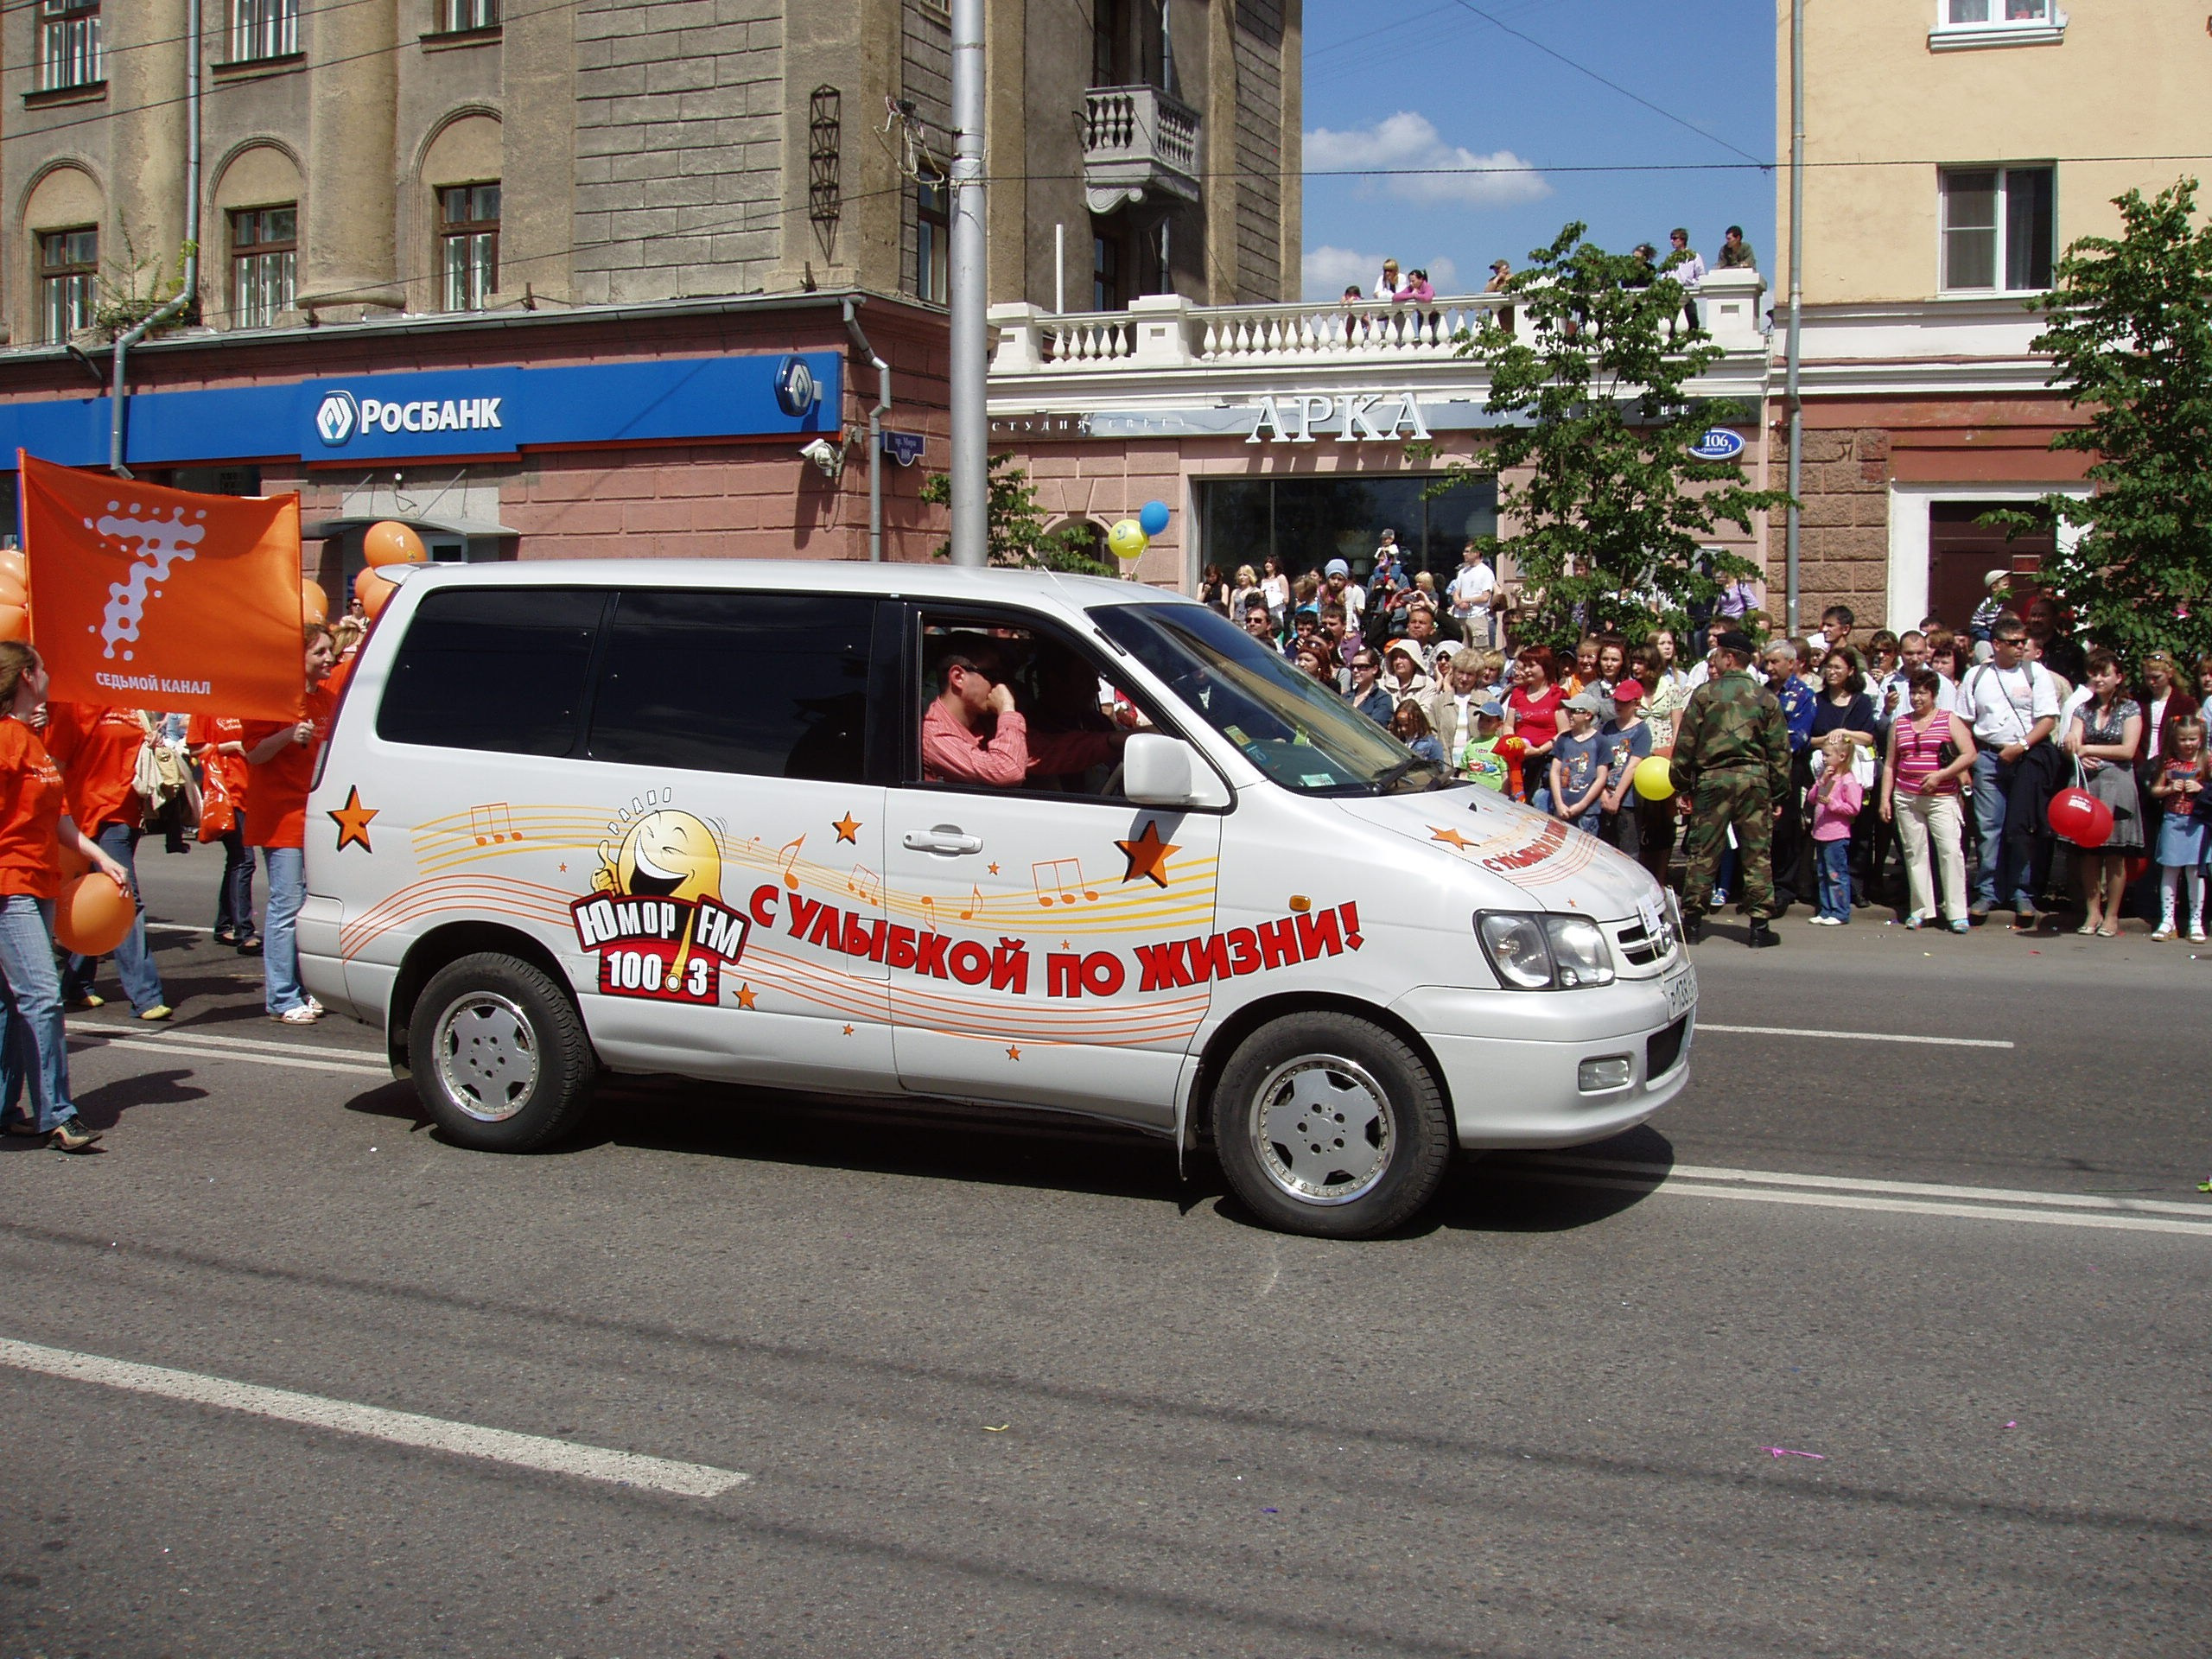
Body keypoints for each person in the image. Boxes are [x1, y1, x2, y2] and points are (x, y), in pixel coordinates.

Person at [0, 644, 132, 1150]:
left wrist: (101, 858)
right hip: (8, 884)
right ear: (30, 675)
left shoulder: (32, 739)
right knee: (41, 996)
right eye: (46, 666)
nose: (52, 674)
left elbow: (57, 820)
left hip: (41, 881)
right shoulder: (6, 740)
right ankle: (56, 1113)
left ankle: (5, 1108)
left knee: (13, 1003)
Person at [44, 702, 172, 1021]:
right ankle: (145, 996)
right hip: (93, 813)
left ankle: (76, 983)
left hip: (128, 811)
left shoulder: (132, 702)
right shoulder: (73, 705)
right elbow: (54, 765)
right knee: (124, 897)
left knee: (93, 900)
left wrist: (152, 740)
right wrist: (54, 819)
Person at [244, 624, 340, 1022]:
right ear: (297, 657)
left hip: (315, 816)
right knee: (287, 904)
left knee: (309, 905)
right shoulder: (269, 699)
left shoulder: (327, 700)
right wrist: (286, 734)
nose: (329, 659)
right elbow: (254, 755)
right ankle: (282, 995)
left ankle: (304, 987)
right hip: (281, 817)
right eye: (319, 652)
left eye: (330, 651)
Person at [1674, 630, 1791, 947]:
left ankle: (1693, 924)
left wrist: (1681, 785)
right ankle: (1759, 927)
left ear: (1728, 658)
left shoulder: (1704, 695)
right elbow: (1780, 750)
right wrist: (1779, 792)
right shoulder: (1766, 698)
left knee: (1703, 852)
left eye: (1717, 656)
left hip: (1713, 780)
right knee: (1757, 854)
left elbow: (1685, 744)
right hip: (1754, 781)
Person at [1961, 615, 2061, 930]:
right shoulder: (1976, 676)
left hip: (2026, 758)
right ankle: (1988, 891)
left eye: (2023, 642)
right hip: (1988, 757)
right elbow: (1963, 722)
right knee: (1989, 828)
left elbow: (2047, 719)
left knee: (2021, 827)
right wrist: (1967, 763)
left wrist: (2020, 746)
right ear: (1997, 644)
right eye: (2014, 642)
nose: (2021, 647)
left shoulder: (2036, 674)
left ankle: (2021, 892)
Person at [1881, 667, 1977, 932]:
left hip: (1942, 797)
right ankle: (1921, 909)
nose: (1917, 698)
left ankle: (1957, 912)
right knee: (1915, 853)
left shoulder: (1948, 719)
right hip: (1906, 796)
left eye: (1922, 693)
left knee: (1950, 852)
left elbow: (1969, 754)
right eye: (1913, 692)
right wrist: (1885, 799)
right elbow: (1890, 764)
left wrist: (1942, 775)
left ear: (1934, 695)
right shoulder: (1900, 723)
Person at [2063, 649, 2143, 938]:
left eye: (2104, 673)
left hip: (2117, 783)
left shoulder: (2130, 709)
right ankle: (2092, 912)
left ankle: (2112, 915)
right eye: (2094, 673)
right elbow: (2072, 741)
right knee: (2088, 852)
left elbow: (2127, 750)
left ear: (2118, 677)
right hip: (2088, 783)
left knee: (2115, 853)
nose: (2098, 679)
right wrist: (2076, 752)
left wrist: (2088, 748)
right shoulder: (2082, 709)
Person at [188, 711, 257, 951]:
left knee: (237, 860)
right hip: (226, 793)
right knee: (244, 859)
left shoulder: (248, 705)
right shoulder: (206, 708)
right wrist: (230, 747)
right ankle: (244, 931)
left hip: (250, 789)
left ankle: (224, 925)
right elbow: (195, 749)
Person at [2149, 715, 2209, 942]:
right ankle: (2168, 920)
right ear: (2175, 739)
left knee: (2195, 871)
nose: (2188, 743)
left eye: (2193, 738)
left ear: (2201, 738)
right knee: (2170, 869)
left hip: (2197, 822)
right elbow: (2155, 789)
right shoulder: (2169, 762)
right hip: (2173, 819)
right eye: (2183, 739)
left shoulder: (2207, 761)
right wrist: (2168, 789)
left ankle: (2196, 920)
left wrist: (2201, 788)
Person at [1808, 731, 1864, 925]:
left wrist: (1833, 803)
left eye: (1827, 755)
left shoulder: (1848, 780)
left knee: (1836, 874)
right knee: (1823, 874)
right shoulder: (1828, 777)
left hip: (1837, 835)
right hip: (1821, 833)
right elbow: (1812, 798)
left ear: (1842, 757)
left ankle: (1840, 911)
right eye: (1822, 754)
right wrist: (1821, 781)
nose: (1823, 758)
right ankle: (1826, 910)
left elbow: (1854, 808)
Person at [1504, 645, 1565, 807]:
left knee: (1538, 803)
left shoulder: (1557, 694)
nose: (1527, 670)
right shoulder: (1518, 693)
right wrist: (1514, 745)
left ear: (1545, 666)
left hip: (1545, 760)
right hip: (1520, 758)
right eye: (1525, 666)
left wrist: (1538, 750)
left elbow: (1564, 732)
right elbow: (1509, 725)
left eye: (1532, 666)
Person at [1597, 682, 1652, 860]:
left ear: (1636, 704)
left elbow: (1633, 766)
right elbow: (1601, 761)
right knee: (1604, 847)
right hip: (1604, 793)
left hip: (1628, 799)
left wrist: (1617, 797)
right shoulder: (1607, 727)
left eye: (1624, 702)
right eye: (1617, 701)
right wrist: (1603, 793)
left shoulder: (1641, 730)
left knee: (1628, 850)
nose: (1618, 705)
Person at [1548, 692, 1611, 835]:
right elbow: (1555, 771)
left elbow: (1601, 777)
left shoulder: (1601, 742)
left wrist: (1582, 805)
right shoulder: (1563, 739)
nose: (1570, 715)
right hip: (1561, 808)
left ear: (1588, 715)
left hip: (1588, 812)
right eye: (1569, 711)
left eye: (1575, 711)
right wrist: (1559, 804)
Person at [1427, 652, 1491, 763]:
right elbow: (1432, 735)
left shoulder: (1487, 701)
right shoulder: (1439, 702)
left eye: (1470, 674)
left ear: (1477, 676)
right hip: (1446, 765)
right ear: (1453, 672)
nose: (1464, 678)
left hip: (1478, 766)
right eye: (1460, 672)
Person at [1446, 542, 1497, 647]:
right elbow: (1456, 592)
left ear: (1477, 553)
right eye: (1464, 551)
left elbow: (1485, 597)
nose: (1464, 554)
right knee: (1462, 650)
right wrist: (1458, 602)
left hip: (1477, 616)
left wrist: (1466, 600)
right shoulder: (1462, 572)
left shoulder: (1485, 572)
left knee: (1480, 650)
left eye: (1467, 552)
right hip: (1461, 616)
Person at [1459, 697, 1510, 791]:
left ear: (1499, 725)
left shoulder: (1500, 745)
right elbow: (1464, 772)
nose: (1483, 723)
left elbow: (1505, 774)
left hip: (1494, 794)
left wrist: (1504, 795)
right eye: (1481, 719)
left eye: (1489, 721)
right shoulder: (1471, 743)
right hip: (1473, 792)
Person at [1666, 227, 1706, 333]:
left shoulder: (1694, 257)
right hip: (1673, 296)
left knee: (1692, 322)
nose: (1672, 241)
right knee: (1671, 325)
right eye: (1671, 238)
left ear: (1683, 240)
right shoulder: (1670, 257)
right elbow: (1665, 275)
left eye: (1675, 238)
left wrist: (1692, 286)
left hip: (1687, 294)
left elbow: (1701, 275)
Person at [1390, 701, 1446, 765]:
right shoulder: (1396, 741)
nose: (1403, 729)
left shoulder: (1432, 745)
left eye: (1407, 725)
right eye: (1400, 725)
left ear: (1417, 721)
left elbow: (1438, 772)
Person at [1346, 650, 1393, 725]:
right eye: (1352, 667)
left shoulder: (1382, 699)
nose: (1355, 670)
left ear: (1375, 669)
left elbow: (1376, 727)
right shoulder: (1346, 696)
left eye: (1362, 667)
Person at [1382, 642, 1430, 707]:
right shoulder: (1382, 683)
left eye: (1403, 657)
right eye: (1395, 658)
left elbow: (1425, 713)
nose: (1398, 661)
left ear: (1414, 660)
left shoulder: (1428, 684)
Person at [1260, 556, 1291, 631]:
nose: (1267, 564)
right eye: (1266, 562)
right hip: (1266, 612)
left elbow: (1286, 600)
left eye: (1270, 562)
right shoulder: (1263, 580)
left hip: (1277, 612)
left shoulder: (1281, 578)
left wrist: (1272, 597)